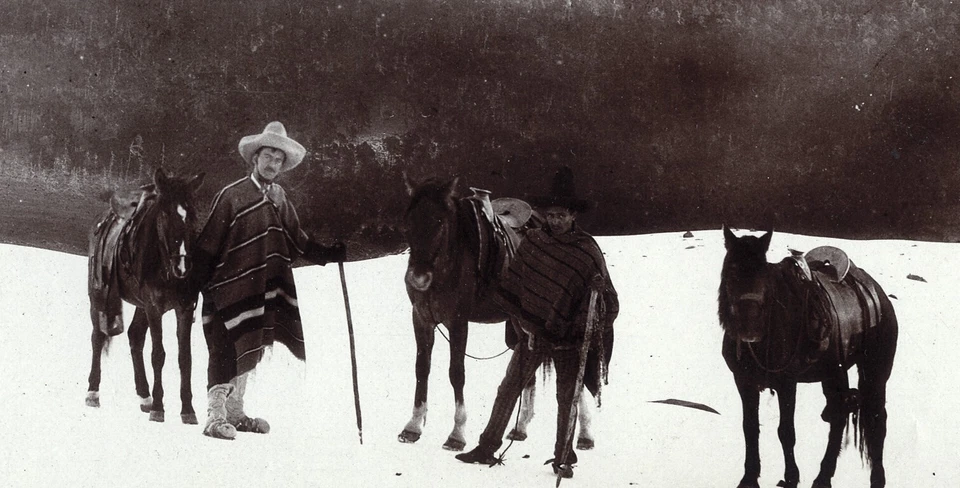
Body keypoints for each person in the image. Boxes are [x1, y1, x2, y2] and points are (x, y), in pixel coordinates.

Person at [456, 165, 618, 478]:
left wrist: (592, 299)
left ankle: (563, 456)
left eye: (561, 215)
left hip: (570, 339)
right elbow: (514, 288)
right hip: (531, 333)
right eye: (550, 214)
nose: (554, 220)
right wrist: (524, 323)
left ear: (573, 215)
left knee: (566, 396)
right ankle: (486, 446)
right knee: (509, 388)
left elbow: (609, 302)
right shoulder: (533, 244)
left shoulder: (586, 251)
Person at [193, 121, 346, 440]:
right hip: (224, 288)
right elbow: (208, 245)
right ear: (255, 158)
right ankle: (215, 416)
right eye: (268, 156)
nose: (273, 163)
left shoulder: (278, 196)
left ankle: (235, 413)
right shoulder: (232, 195)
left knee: (248, 345)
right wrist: (197, 286)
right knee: (223, 348)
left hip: (259, 289)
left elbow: (297, 238)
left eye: (279, 158)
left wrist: (329, 253)